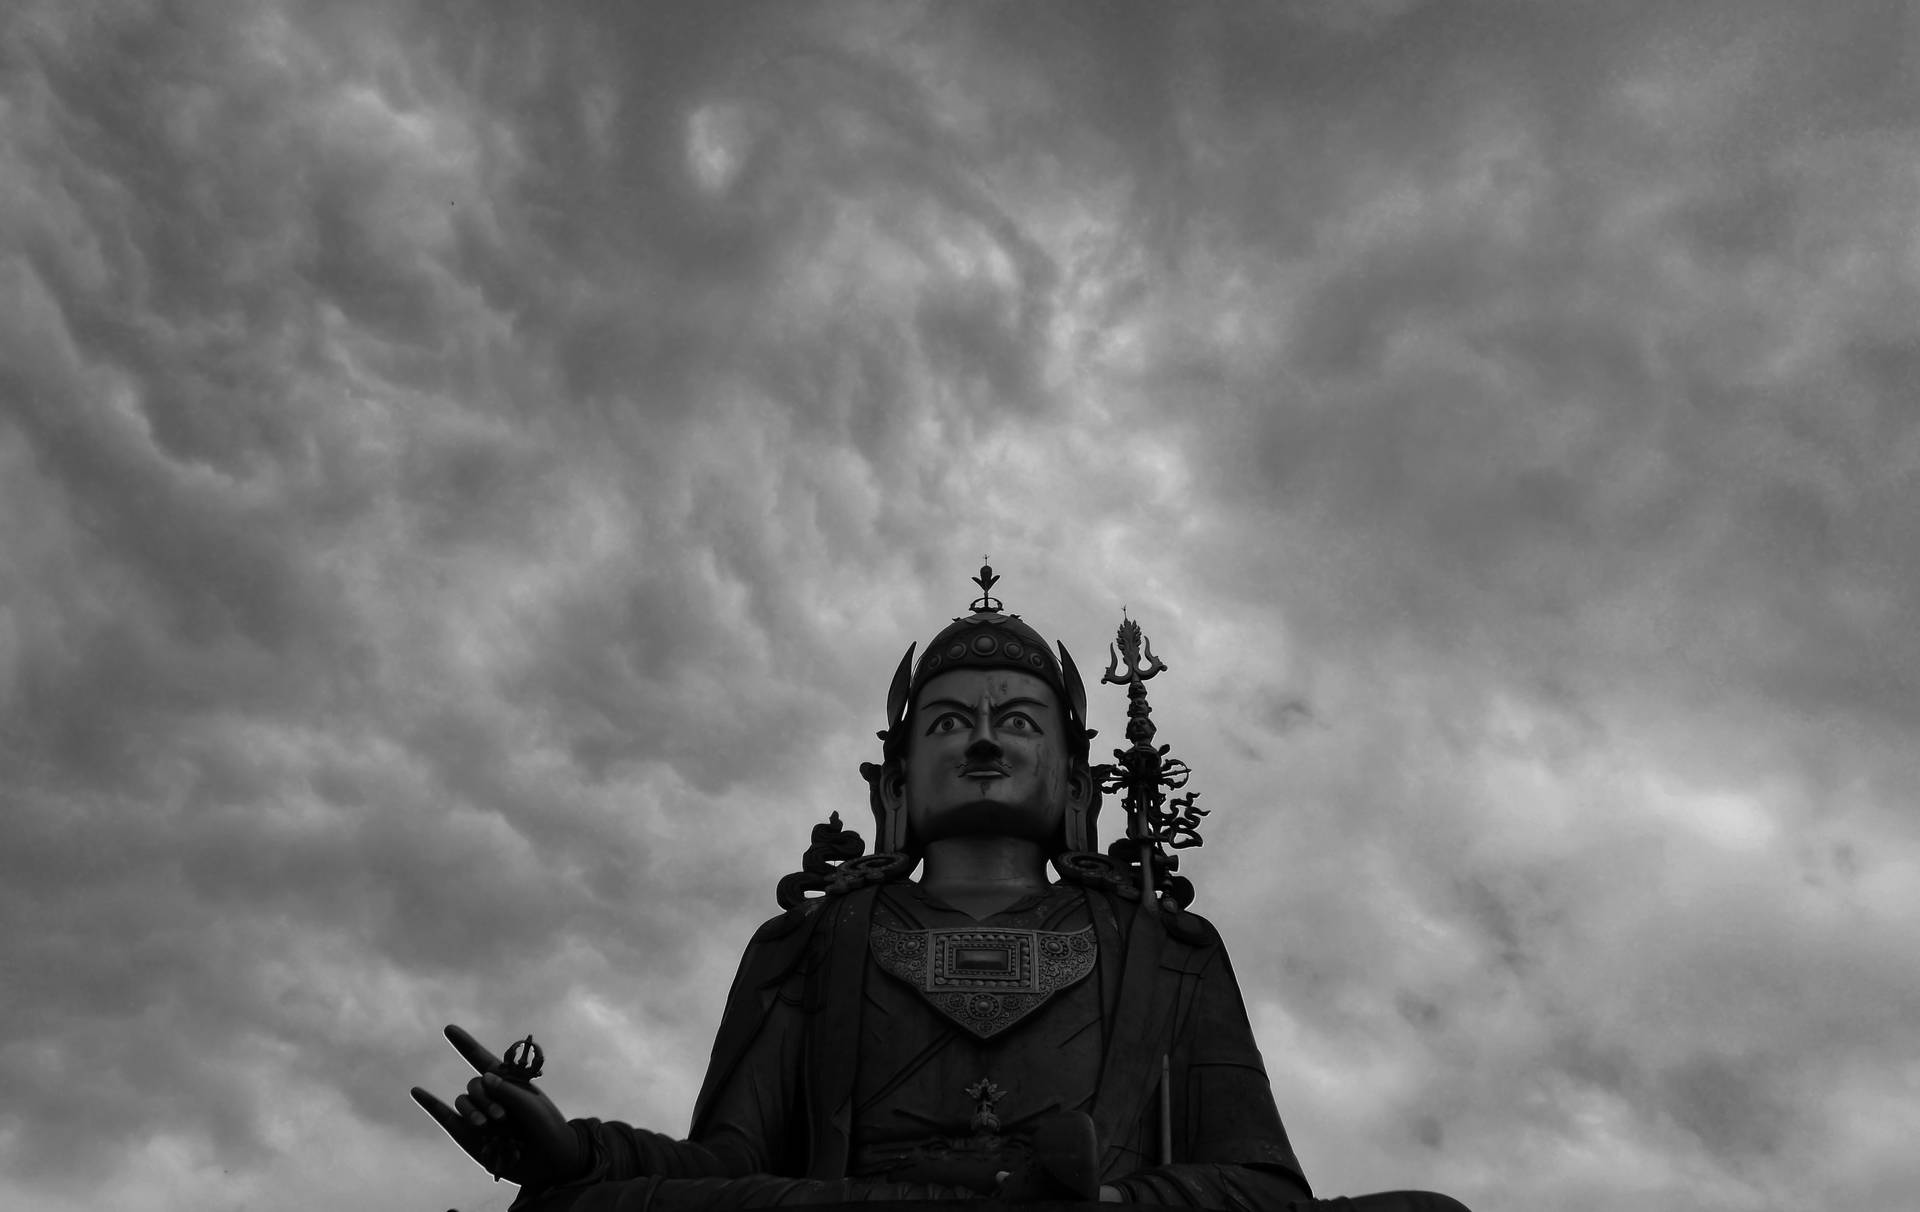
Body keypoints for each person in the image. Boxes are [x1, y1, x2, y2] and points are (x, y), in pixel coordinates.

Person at [415, 573, 1470, 1212]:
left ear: (1080, 782)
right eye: (948, 722)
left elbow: (1258, 1187)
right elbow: (728, 1164)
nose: (977, 740)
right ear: (892, 781)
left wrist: (1111, 1197)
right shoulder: (808, 945)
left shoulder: (1167, 947)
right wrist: (577, 1153)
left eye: (1017, 723)